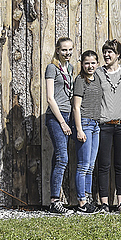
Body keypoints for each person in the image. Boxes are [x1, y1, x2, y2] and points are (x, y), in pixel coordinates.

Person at [95, 39, 121, 214]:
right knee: (103, 164)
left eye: (110, 52)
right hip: (104, 125)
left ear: (118, 54)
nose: (106, 55)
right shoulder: (98, 73)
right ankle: (103, 204)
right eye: (105, 51)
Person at [45, 37, 75, 215]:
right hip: (56, 117)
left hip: (68, 115)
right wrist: (62, 122)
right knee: (63, 158)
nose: (67, 53)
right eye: (64, 50)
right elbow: (50, 97)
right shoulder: (52, 68)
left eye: (70, 50)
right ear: (57, 50)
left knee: (58, 157)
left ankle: (54, 200)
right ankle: (55, 202)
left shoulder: (70, 68)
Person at [72, 50, 102, 214]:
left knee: (90, 166)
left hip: (96, 125)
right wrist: (79, 130)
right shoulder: (80, 80)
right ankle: (82, 202)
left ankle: (89, 199)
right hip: (84, 124)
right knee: (83, 166)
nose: (90, 66)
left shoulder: (97, 77)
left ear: (97, 63)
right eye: (87, 63)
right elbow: (76, 107)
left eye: (93, 63)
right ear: (82, 65)